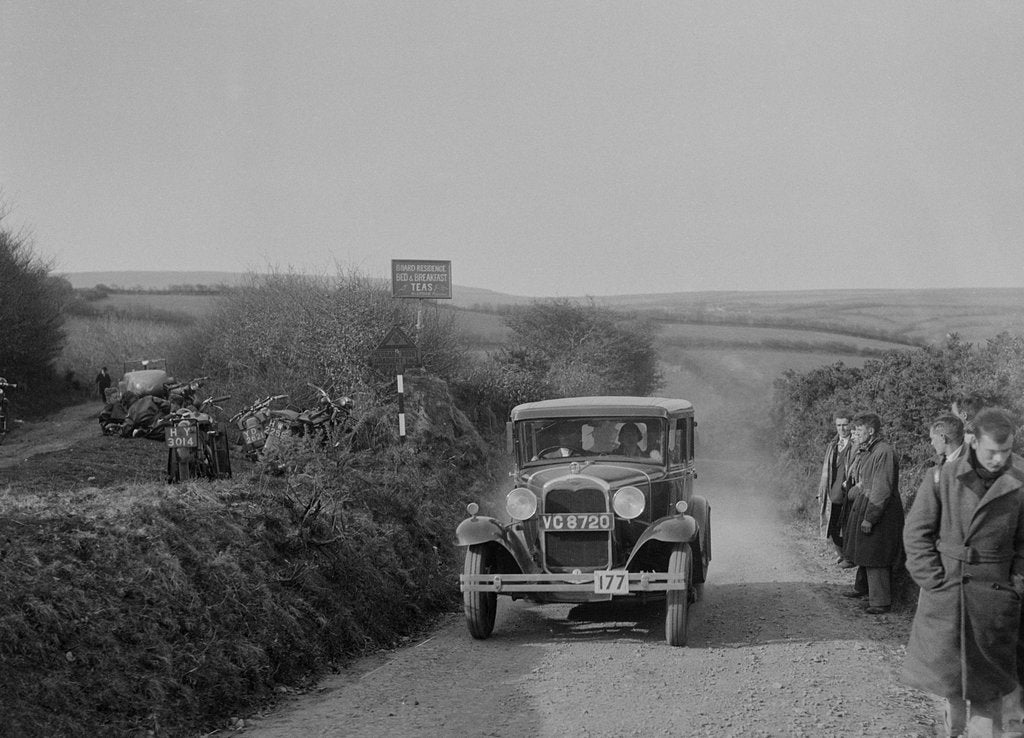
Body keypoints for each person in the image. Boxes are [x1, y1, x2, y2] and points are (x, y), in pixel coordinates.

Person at [902, 408, 1024, 738]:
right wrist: (933, 580)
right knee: (950, 684)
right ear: (973, 442)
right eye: (991, 452)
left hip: (994, 602)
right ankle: (950, 730)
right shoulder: (943, 477)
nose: (999, 459)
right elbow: (917, 533)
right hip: (948, 595)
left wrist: (1016, 585)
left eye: (1006, 451)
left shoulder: (1020, 481)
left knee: (988, 690)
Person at [840, 412, 904, 615]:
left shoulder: (883, 452)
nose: (855, 434)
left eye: (859, 430)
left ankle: (880, 602)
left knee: (875, 555)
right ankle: (863, 590)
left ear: (871, 431)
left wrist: (870, 518)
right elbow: (865, 482)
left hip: (880, 514)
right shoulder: (870, 450)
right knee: (865, 551)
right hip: (867, 508)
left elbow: (881, 489)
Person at [817, 411, 856, 568]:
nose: (842, 428)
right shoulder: (832, 445)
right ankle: (842, 554)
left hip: (848, 493)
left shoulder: (856, 444)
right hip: (832, 493)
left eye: (845, 424)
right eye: (839, 425)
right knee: (832, 527)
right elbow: (825, 471)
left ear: (850, 425)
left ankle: (849, 558)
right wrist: (821, 492)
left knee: (847, 527)